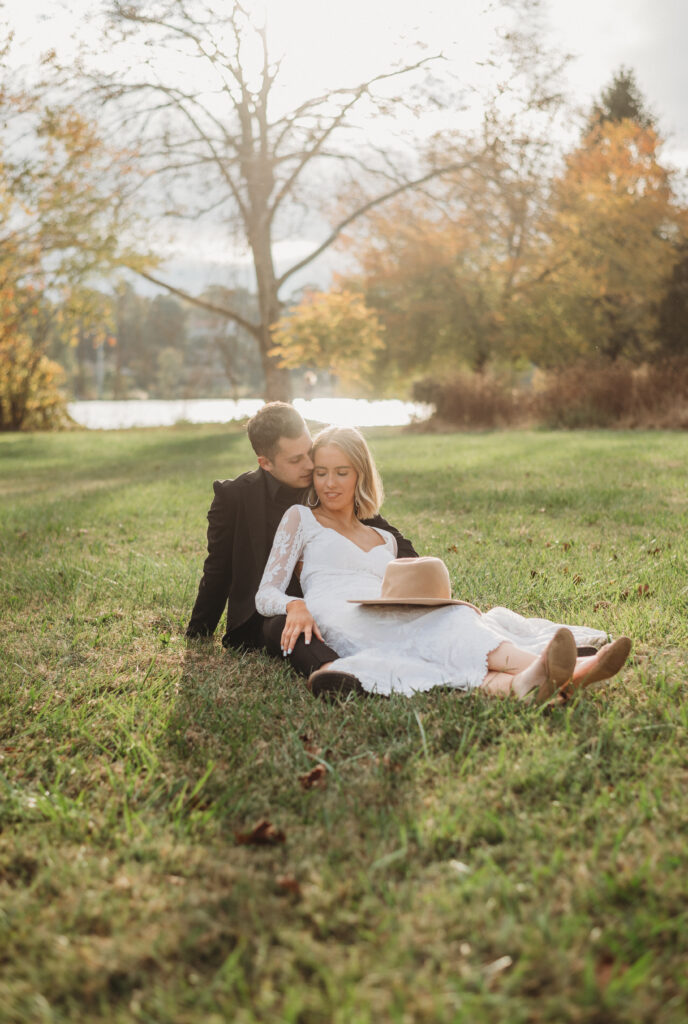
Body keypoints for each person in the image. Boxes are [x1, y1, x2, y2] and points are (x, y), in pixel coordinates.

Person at [255, 425, 631, 701]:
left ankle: (521, 685)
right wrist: (294, 604)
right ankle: (567, 668)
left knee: (449, 623)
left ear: (360, 476)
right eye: (321, 472)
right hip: (340, 612)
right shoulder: (300, 518)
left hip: (389, 605)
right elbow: (265, 592)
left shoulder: (384, 539)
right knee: (440, 628)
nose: (329, 483)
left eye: (342, 472)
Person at [185, 402, 417, 677]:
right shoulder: (234, 497)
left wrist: (423, 582)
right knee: (281, 625)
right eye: (296, 460)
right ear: (266, 463)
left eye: (309, 452)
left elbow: (380, 530)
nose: (309, 465)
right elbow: (217, 569)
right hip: (272, 611)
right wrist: (198, 634)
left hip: (332, 602)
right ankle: (332, 671)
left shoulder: (322, 479)